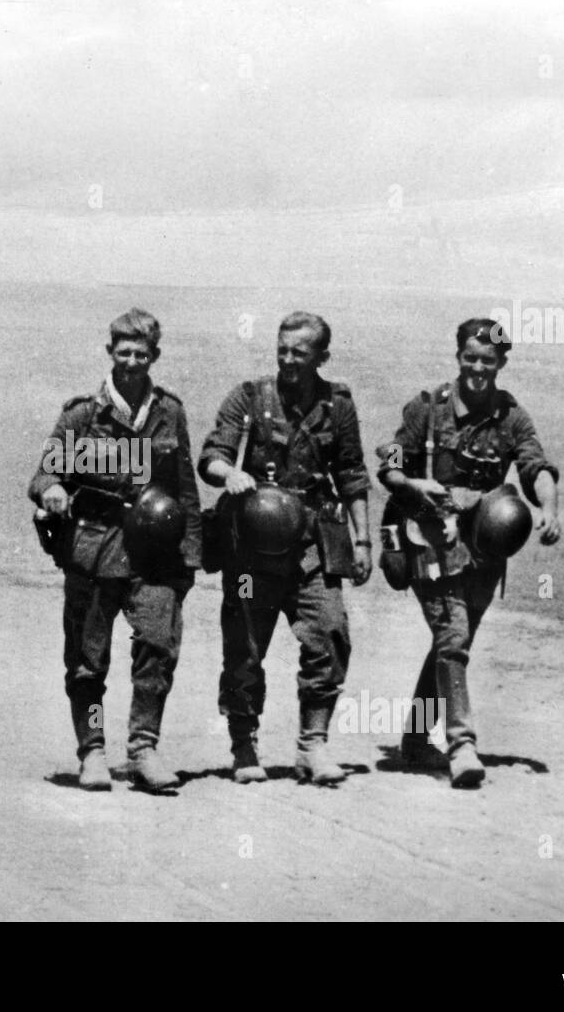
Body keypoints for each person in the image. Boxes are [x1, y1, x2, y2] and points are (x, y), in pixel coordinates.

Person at [376, 318, 561, 787]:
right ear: (458, 356)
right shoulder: (428, 409)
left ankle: (416, 741)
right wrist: (412, 481)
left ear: (501, 363)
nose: (478, 368)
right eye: (470, 358)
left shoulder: (510, 415)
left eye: (489, 360)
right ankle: (462, 745)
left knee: (450, 643)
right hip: (427, 539)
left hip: (482, 549)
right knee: (453, 635)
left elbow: (535, 464)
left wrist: (550, 510)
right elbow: (393, 459)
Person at [29, 308, 201, 793]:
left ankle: (144, 749)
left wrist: (188, 562)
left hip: (156, 556)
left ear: (154, 357)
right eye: (123, 352)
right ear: (110, 353)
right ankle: (93, 751)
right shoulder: (83, 414)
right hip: (94, 551)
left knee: (158, 648)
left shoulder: (170, 412)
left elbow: (186, 490)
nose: (131, 362)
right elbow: (43, 474)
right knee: (88, 660)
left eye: (141, 354)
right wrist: (52, 492)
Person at [198, 312, 373, 785]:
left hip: (313, 546)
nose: (289, 359)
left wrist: (362, 540)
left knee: (330, 634)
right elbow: (212, 454)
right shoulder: (250, 397)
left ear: (322, 356)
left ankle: (312, 746)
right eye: (283, 350)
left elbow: (353, 475)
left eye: (300, 352)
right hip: (253, 546)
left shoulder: (338, 405)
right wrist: (229, 474)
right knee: (245, 649)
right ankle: (243, 744)